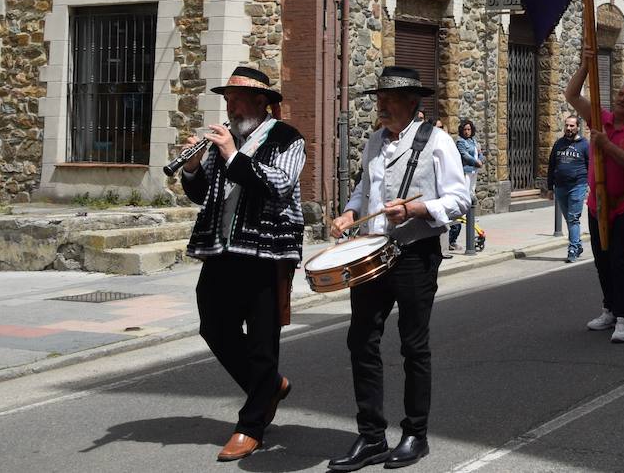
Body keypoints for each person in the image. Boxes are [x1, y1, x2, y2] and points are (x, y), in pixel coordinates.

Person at [327, 66, 471, 471]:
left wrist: (417, 207)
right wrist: (350, 211)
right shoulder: (375, 140)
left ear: (412, 103)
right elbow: (364, 188)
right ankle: (371, 436)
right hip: (373, 255)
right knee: (361, 341)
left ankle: (415, 435)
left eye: (389, 100)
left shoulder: (438, 141)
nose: (382, 106)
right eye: (380, 99)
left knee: (414, 346)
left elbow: (460, 198)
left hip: (414, 254)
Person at [180, 66, 306, 463]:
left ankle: (251, 426)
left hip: (267, 251)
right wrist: (192, 166)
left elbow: (279, 184)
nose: (229, 106)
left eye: (235, 99)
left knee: (262, 340)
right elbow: (204, 195)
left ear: (260, 102)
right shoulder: (226, 140)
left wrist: (232, 155)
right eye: (227, 99)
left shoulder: (288, 138)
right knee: (212, 324)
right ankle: (267, 387)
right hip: (222, 248)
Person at [566, 54, 624, 345]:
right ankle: (609, 308)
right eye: (620, 94)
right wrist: (585, 66)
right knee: (602, 260)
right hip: (598, 204)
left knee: (619, 261)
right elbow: (572, 95)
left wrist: (606, 145)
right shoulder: (600, 119)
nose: (621, 100)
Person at [545, 116, 589, 263]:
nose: (569, 128)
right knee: (569, 219)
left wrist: (591, 185)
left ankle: (573, 248)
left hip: (578, 185)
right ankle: (578, 244)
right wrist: (550, 187)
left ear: (577, 127)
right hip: (560, 187)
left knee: (573, 217)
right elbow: (551, 166)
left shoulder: (584, 145)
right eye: (567, 126)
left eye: (572, 126)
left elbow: (591, 166)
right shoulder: (559, 144)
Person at [447, 120, 482, 252]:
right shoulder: (461, 142)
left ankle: (470, 215)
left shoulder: (474, 141)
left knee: (471, 193)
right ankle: (466, 215)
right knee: (465, 195)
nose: (467, 132)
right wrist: (476, 162)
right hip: (466, 171)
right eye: (465, 130)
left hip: (474, 171)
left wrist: (480, 160)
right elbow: (464, 155)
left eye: (469, 129)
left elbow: (480, 153)